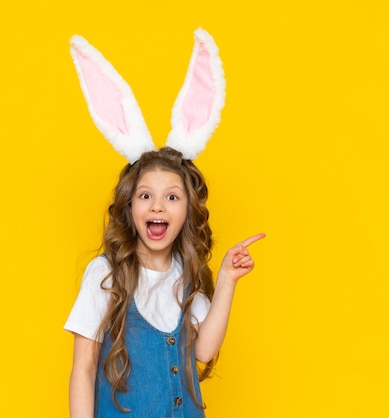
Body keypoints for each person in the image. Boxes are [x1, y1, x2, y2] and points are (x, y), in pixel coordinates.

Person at [64, 30, 263, 417]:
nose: (158, 205)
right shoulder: (105, 274)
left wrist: (226, 279)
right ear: (129, 205)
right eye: (145, 196)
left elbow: (204, 350)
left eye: (172, 197)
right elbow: (83, 368)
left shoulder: (185, 274)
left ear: (187, 210)